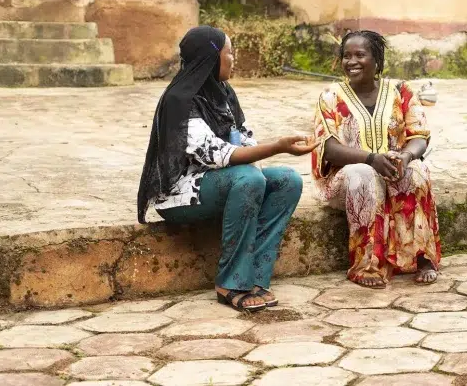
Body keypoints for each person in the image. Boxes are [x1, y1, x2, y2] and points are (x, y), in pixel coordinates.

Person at [137, 25, 317, 312]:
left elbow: (243, 137)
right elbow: (219, 155)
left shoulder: (222, 92)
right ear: (210, 58)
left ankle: (256, 276)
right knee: (247, 178)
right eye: (229, 53)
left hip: (221, 182)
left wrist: (271, 149)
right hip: (180, 196)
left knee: (287, 180)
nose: (233, 59)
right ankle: (231, 283)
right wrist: (279, 145)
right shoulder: (179, 100)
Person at [311, 30, 441, 289]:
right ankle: (366, 265)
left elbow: (419, 136)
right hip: (345, 180)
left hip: (392, 170)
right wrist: (371, 159)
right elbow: (329, 148)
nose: (352, 61)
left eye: (360, 55)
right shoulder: (331, 96)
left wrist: (405, 156)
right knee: (364, 175)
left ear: (377, 61)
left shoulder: (401, 91)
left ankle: (421, 258)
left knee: (417, 171)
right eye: (346, 56)